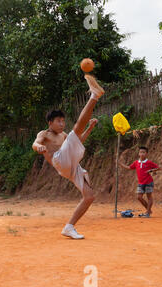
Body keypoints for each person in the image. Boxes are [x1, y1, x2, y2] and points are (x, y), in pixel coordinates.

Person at [32, 74, 105, 239]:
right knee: (77, 128)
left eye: (63, 121)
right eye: (58, 121)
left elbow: (78, 141)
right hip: (59, 160)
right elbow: (35, 143)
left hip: (70, 165)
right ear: (50, 122)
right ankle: (94, 95)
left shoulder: (64, 136)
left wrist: (91, 127)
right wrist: (39, 147)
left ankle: (69, 227)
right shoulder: (45, 133)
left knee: (89, 196)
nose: (62, 124)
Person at [119, 146, 160, 217]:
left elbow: (158, 168)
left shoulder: (149, 162)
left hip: (148, 182)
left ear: (146, 154)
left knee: (149, 197)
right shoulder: (136, 162)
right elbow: (129, 167)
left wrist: (151, 170)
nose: (142, 154)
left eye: (143, 152)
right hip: (141, 183)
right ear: (138, 153)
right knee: (139, 197)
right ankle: (148, 210)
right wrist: (120, 164)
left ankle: (147, 212)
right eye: (141, 152)